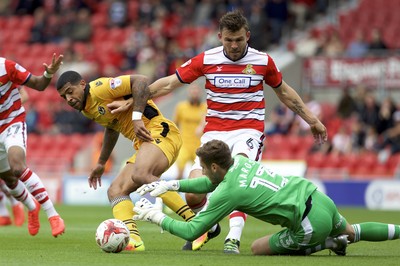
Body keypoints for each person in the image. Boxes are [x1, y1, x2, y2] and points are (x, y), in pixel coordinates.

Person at [107, 10, 327, 253]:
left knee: (238, 182)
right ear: (220, 36)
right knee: (193, 195)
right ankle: (211, 228)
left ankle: (233, 237)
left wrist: (312, 119)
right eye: (229, 40)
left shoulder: (263, 61)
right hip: (214, 134)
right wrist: (131, 103)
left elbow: (284, 92)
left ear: (248, 36)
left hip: (248, 131)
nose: (234, 46)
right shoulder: (206, 59)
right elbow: (169, 83)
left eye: (239, 40)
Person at [133, 139, 400, 256]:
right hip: (319, 200)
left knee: (258, 248)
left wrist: (154, 216)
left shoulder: (229, 191)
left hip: (309, 226)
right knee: (353, 231)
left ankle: (327, 242)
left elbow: (192, 230)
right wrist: (172, 184)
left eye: (204, 167)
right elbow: (208, 182)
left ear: (215, 166)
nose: (202, 172)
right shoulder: (238, 161)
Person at [55, 71, 196, 252]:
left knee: (141, 174)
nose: (68, 98)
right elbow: (111, 128)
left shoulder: (99, 89)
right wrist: (101, 162)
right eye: (63, 96)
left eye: (70, 91)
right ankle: (134, 239)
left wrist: (136, 118)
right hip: (145, 141)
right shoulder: (87, 109)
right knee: (116, 190)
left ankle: (197, 225)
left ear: (82, 84)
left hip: (159, 131)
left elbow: (142, 80)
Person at [0, 54, 65, 237]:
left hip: (11, 122)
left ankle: (53, 215)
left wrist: (48, 74)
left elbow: (38, 85)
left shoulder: (6, 66)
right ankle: (31, 207)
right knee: (9, 179)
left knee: (17, 166)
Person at [173, 83, 206, 180]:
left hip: (199, 146)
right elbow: (175, 124)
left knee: (199, 176)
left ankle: (200, 194)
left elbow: (207, 122)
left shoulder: (205, 107)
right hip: (184, 145)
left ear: (200, 93)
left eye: (196, 91)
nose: (194, 93)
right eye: (192, 90)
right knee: (179, 174)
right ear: (189, 93)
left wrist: (201, 126)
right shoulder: (181, 107)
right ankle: (175, 194)